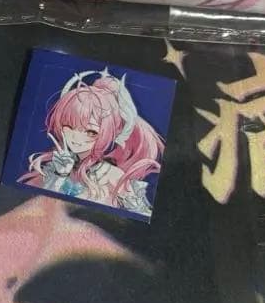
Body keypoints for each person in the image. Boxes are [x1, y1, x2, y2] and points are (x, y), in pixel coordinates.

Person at [22, 70, 164, 215]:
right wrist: (58, 176)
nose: (76, 138)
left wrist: (124, 193)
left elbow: (142, 216)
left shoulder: (112, 174)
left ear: (108, 134)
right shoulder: (55, 168)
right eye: (69, 126)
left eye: (91, 132)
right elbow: (39, 210)